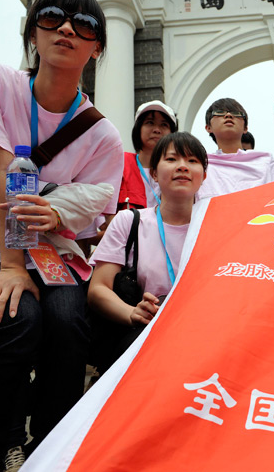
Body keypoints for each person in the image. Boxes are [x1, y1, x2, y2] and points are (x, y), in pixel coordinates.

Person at [0, 0, 123, 469]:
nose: (67, 29)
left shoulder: (103, 134)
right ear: (33, 32)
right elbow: (0, 165)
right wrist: (11, 267)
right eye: (52, 16)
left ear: (97, 47)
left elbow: (100, 197)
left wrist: (58, 211)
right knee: (15, 319)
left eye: (85, 25)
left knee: (67, 324)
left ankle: (49, 449)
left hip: (52, 252)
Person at [88, 132, 207, 372]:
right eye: (172, 159)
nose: (183, 166)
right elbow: (98, 289)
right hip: (140, 336)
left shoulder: (217, 225)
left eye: (192, 161)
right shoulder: (128, 221)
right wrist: (133, 313)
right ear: (153, 173)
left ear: (204, 175)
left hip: (201, 335)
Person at [197, 98, 274, 199]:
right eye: (219, 112)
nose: (228, 115)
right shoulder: (201, 164)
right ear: (208, 127)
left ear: (245, 128)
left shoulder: (265, 161)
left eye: (236, 113)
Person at [119, 100, 178, 210]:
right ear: (138, 129)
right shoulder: (120, 164)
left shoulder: (180, 170)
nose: (156, 130)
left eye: (164, 125)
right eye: (150, 123)